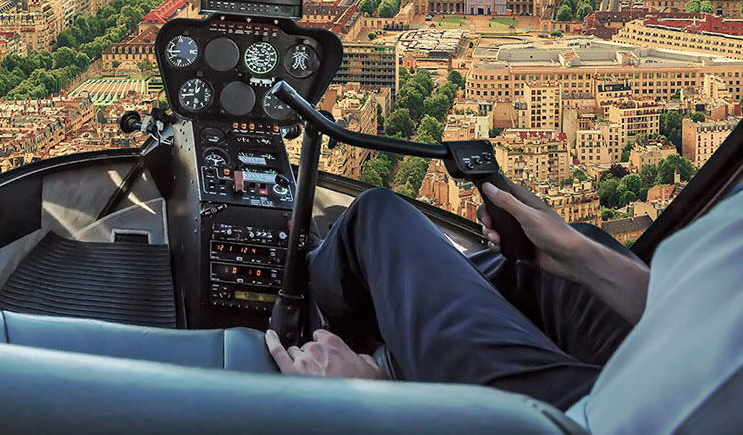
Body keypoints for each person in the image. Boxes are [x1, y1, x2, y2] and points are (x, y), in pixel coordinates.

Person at [265, 180, 743, 433]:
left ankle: (308, 308)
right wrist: (579, 256)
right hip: (674, 362)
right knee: (554, 258)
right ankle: (414, 335)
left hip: (581, 420)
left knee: (378, 217)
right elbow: (712, 311)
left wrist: (377, 405)